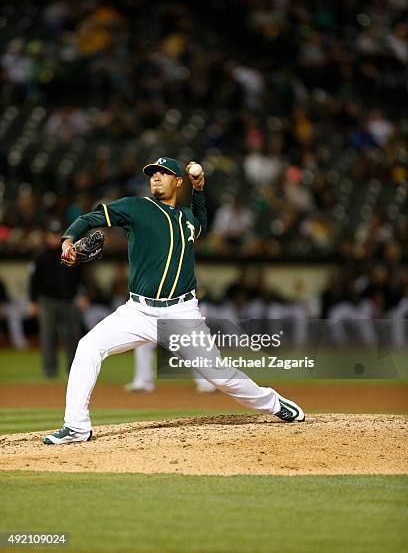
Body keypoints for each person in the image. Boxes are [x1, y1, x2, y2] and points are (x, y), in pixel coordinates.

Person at [43, 157, 305, 444]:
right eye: (152, 174)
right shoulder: (137, 207)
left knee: (220, 376)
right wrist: (68, 240)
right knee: (88, 347)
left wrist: (200, 189)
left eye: (164, 173)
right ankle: (77, 426)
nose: (156, 177)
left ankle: (274, 403)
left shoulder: (187, 219)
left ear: (178, 181)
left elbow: (201, 221)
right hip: (138, 311)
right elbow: (90, 218)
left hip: (182, 314)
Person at [29, 220, 82, 378]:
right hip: (48, 301)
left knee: (72, 337)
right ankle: (50, 371)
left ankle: (72, 371)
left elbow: (80, 278)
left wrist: (82, 294)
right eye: (52, 234)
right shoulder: (39, 256)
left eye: (57, 234)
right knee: (48, 337)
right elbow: (33, 280)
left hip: (69, 300)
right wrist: (32, 301)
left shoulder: (70, 252)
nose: (54, 237)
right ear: (46, 236)